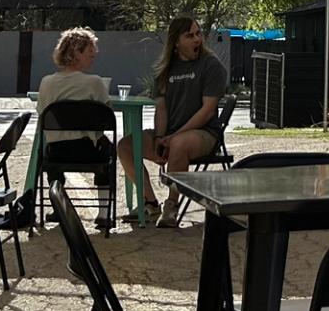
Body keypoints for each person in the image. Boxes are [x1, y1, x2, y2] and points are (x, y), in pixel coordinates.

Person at [33, 28, 149, 226]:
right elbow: (105, 114)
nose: (94, 54)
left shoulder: (46, 82)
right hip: (88, 150)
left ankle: (57, 206)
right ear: (76, 52)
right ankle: (104, 213)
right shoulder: (94, 82)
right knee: (109, 151)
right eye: (90, 50)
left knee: (50, 152)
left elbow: (42, 111)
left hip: (56, 152)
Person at [145, 15, 227, 228]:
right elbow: (161, 109)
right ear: (176, 42)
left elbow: (208, 110)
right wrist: (159, 137)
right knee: (126, 145)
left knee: (179, 144)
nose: (196, 39)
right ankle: (149, 202)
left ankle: (171, 205)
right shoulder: (165, 71)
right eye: (189, 35)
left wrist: (173, 137)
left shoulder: (210, 65)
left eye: (198, 34)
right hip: (169, 134)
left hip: (204, 133)